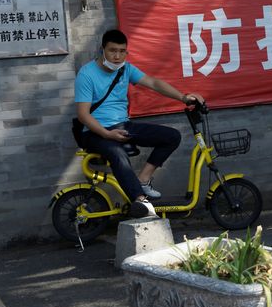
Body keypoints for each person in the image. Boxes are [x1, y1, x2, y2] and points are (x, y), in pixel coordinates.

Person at [74, 29, 203, 217]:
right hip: (94, 132)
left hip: (123, 126)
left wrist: (183, 97)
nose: (117, 56)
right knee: (117, 154)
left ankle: (143, 179)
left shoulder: (126, 69)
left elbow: (153, 83)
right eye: (112, 51)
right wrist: (107, 134)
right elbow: (83, 115)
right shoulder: (87, 74)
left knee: (171, 136)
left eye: (122, 51)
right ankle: (141, 202)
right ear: (103, 50)